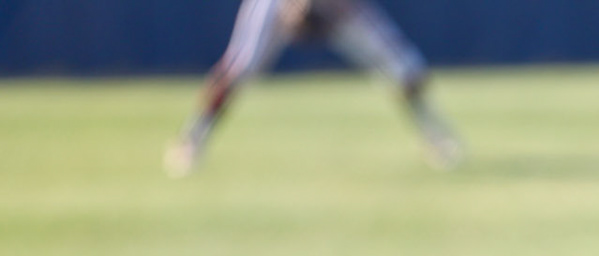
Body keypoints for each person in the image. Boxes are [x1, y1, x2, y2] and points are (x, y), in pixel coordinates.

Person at [163, 0, 463, 177]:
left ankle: (435, 136)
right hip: (277, 3)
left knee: (406, 67)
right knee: (238, 67)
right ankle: (192, 140)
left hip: (337, 6)